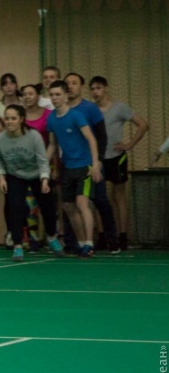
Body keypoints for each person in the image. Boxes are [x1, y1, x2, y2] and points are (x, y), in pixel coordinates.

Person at [0, 104, 63, 262]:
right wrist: (1, 178)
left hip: (37, 174)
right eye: (7, 118)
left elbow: (42, 160)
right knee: (15, 208)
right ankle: (18, 246)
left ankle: (52, 237)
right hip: (15, 175)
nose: (9, 121)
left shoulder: (33, 136)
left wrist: (45, 179)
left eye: (13, 118)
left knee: (48, 207)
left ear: (21, 119)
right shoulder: (0, 139)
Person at [89, 76, 149, 251]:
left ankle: (122, 235)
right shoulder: (90, 110)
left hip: (116, 157)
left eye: (99, 88)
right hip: (98, 159)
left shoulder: (119, 107)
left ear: (106, 88)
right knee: (99, 198)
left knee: (119, 196)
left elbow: (143, 124)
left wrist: (129, 144)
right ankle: (102, 236)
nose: (95, 92)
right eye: (92, 89)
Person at [45, 80, 101, 258]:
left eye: (58, 94)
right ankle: (81, 242)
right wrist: (44, 165)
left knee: (82, 203)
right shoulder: (51, 119)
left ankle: (90, 244)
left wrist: (95, 164)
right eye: (51, 95)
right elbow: (52, 144)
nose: (54, 98)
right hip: (67, 167)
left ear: (65, 96)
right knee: (68, 206)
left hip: (84, 166)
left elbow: (91, 139)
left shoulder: (76, 116)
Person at [64, 72, 119, 252]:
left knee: (100, 201)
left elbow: (101, 136)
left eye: (74, 83)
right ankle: (73, 243)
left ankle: (112, 241)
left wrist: (99, 161)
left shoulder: (90, 108)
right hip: (70, 164)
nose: (70, 86)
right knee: (69, 204)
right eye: (67, 83)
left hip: (91, 163)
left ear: (81, 86)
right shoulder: (61, 110)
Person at [0, 73, 21, 138]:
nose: (9, 87)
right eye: (5, 85)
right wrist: (7, 128)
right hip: (6, 140)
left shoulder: (24, 103)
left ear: (16, 86)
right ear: (1, 88)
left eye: (11, 84)